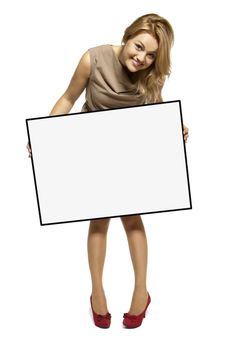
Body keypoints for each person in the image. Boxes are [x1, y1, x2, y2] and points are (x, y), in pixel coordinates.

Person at [27, 13, 189, 329]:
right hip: (93, 152)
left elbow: (156, 112)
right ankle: (97, 292)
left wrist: (174, 129)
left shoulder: (152, 74)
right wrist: (43, 136)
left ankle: (141, 290)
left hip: (131, 153)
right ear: (127, 36)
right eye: (138, 47)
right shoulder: (94, 58)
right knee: (98, 219)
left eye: (151, 54)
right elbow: (68, 98)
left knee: (132, 217)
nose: (142, 58)